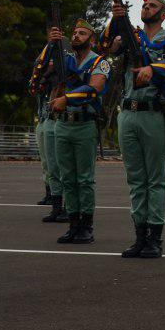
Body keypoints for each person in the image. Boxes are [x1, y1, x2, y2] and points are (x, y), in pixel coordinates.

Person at [100, 0, 165, 259]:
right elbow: (105, 47)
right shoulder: (131, 36)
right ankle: (139, 236)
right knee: (136, 179)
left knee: (155, 179)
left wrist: (153, 68)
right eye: (145, 5)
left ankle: (155, 238)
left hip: (153, 113)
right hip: (128, 113)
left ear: (163, 14)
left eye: (153, 5)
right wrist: (115, 20)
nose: (147, 8)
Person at [49, 19, 111, 244]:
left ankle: (86, 226)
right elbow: (45, 74)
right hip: (63, 124)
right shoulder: (64, 60)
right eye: (74, 33)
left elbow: (94, 88)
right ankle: (73, 224)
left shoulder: (100, 62)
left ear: (92, 40)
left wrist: (67, 98)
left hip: (85, 124)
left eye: (82, 33)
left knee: (84, 179)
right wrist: (51, 45)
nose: (76, 36)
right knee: (67, 177)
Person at [29, 39, 67, 224]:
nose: (48, 62)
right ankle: (54, 199)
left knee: (61, 166)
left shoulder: (63, 74)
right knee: (49, 164)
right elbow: (33, 87)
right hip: (44, 119)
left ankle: (66, 205)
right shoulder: (43, 78)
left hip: (57, 120)